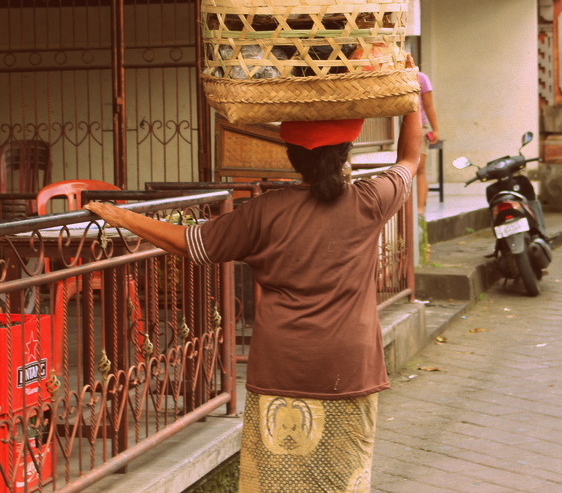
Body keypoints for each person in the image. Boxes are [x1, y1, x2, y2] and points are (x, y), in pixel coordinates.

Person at [85, 111, 422, 493]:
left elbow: (189, 242)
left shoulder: (266, 210)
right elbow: (409, 159)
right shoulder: (370, 199)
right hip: (349, 363)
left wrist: (122, 216)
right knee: (343, 479)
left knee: (277, 482)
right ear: (346, 153)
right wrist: (410, 100)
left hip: (282, 364)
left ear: (293, 158)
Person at [414, 60, 439, 216]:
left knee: (420, 168)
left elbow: (429, 106)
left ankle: (420, 209)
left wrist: (435, 129)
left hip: (419, 126)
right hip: (398, 128)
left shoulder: (421, 77)